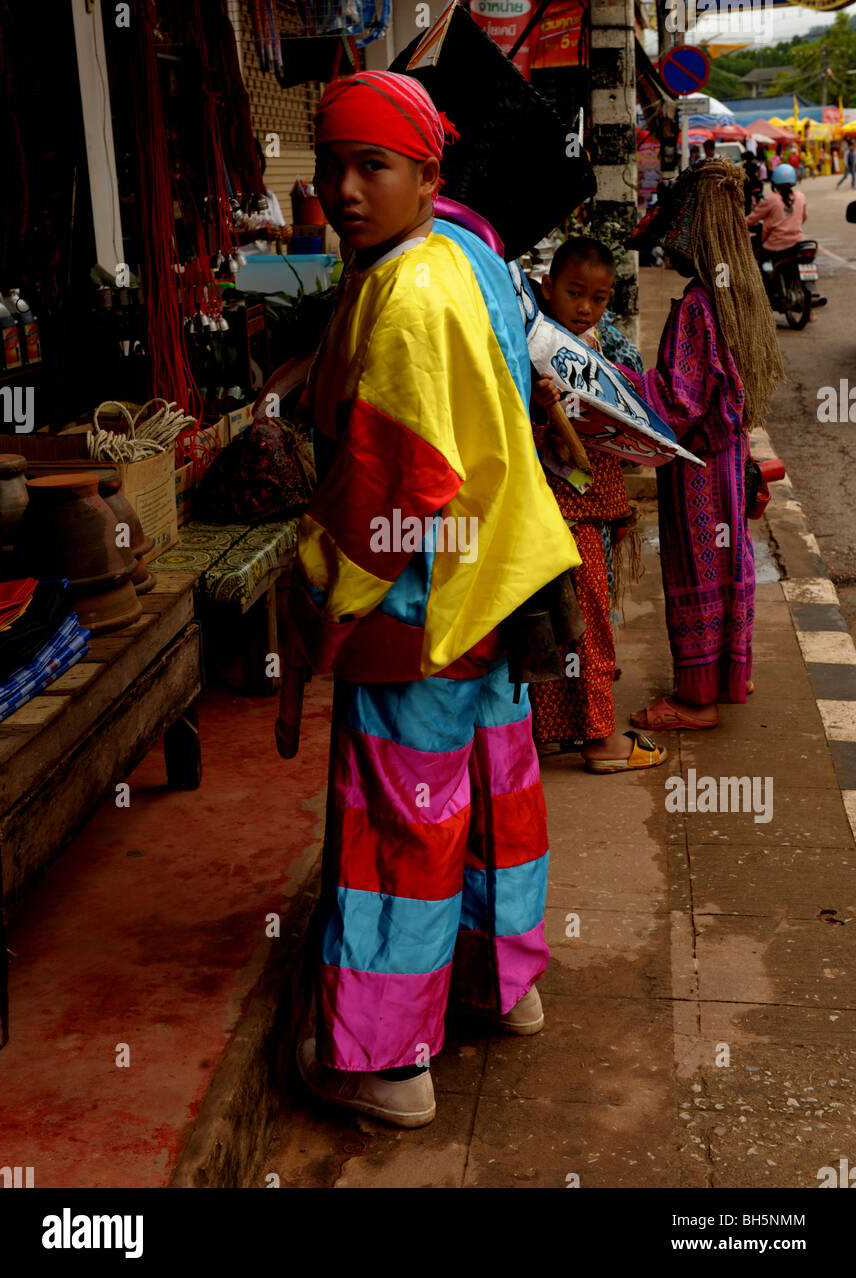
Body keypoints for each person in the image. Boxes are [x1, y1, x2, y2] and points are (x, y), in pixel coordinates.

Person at [288, 70, 581, 1128]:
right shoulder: (470, 249)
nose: (346, 191)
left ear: (426, 174)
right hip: (499, 579)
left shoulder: (405, 293)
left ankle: (384, 1060)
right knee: (495, 799)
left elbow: (395, 486)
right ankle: (505, 986)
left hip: (420, 603)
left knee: (396, 832)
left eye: (373, 166)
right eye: (331, 167)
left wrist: (324, 598)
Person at [621, 160, 784, 731]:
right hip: (731, 463)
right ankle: (730, 674)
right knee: (730, 561)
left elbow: (678, 400)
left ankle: (696, 700)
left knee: (699, 571)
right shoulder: (739, 292)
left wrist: (619, 388)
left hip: (699, 472)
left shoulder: (697, 304)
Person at [527, 237, 667, 774]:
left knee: (582, 619)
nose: (586, 308)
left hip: (597, 508)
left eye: (600, 298)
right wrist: (544, 409)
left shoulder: (612, 351)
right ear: (548, 288)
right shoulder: (528, 351)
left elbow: (636, 421)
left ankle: (566, 729)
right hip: (557, 510)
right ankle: (600, 740)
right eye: (575, 293)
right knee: (579, 626)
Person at [746, 163, 806, 257]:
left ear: (774, 182)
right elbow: (803, 218)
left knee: (756, 257)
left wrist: (737, 223)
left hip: (775, 244)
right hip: (797, 241)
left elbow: (751, 220)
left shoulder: (771, 199)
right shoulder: (800, 196)